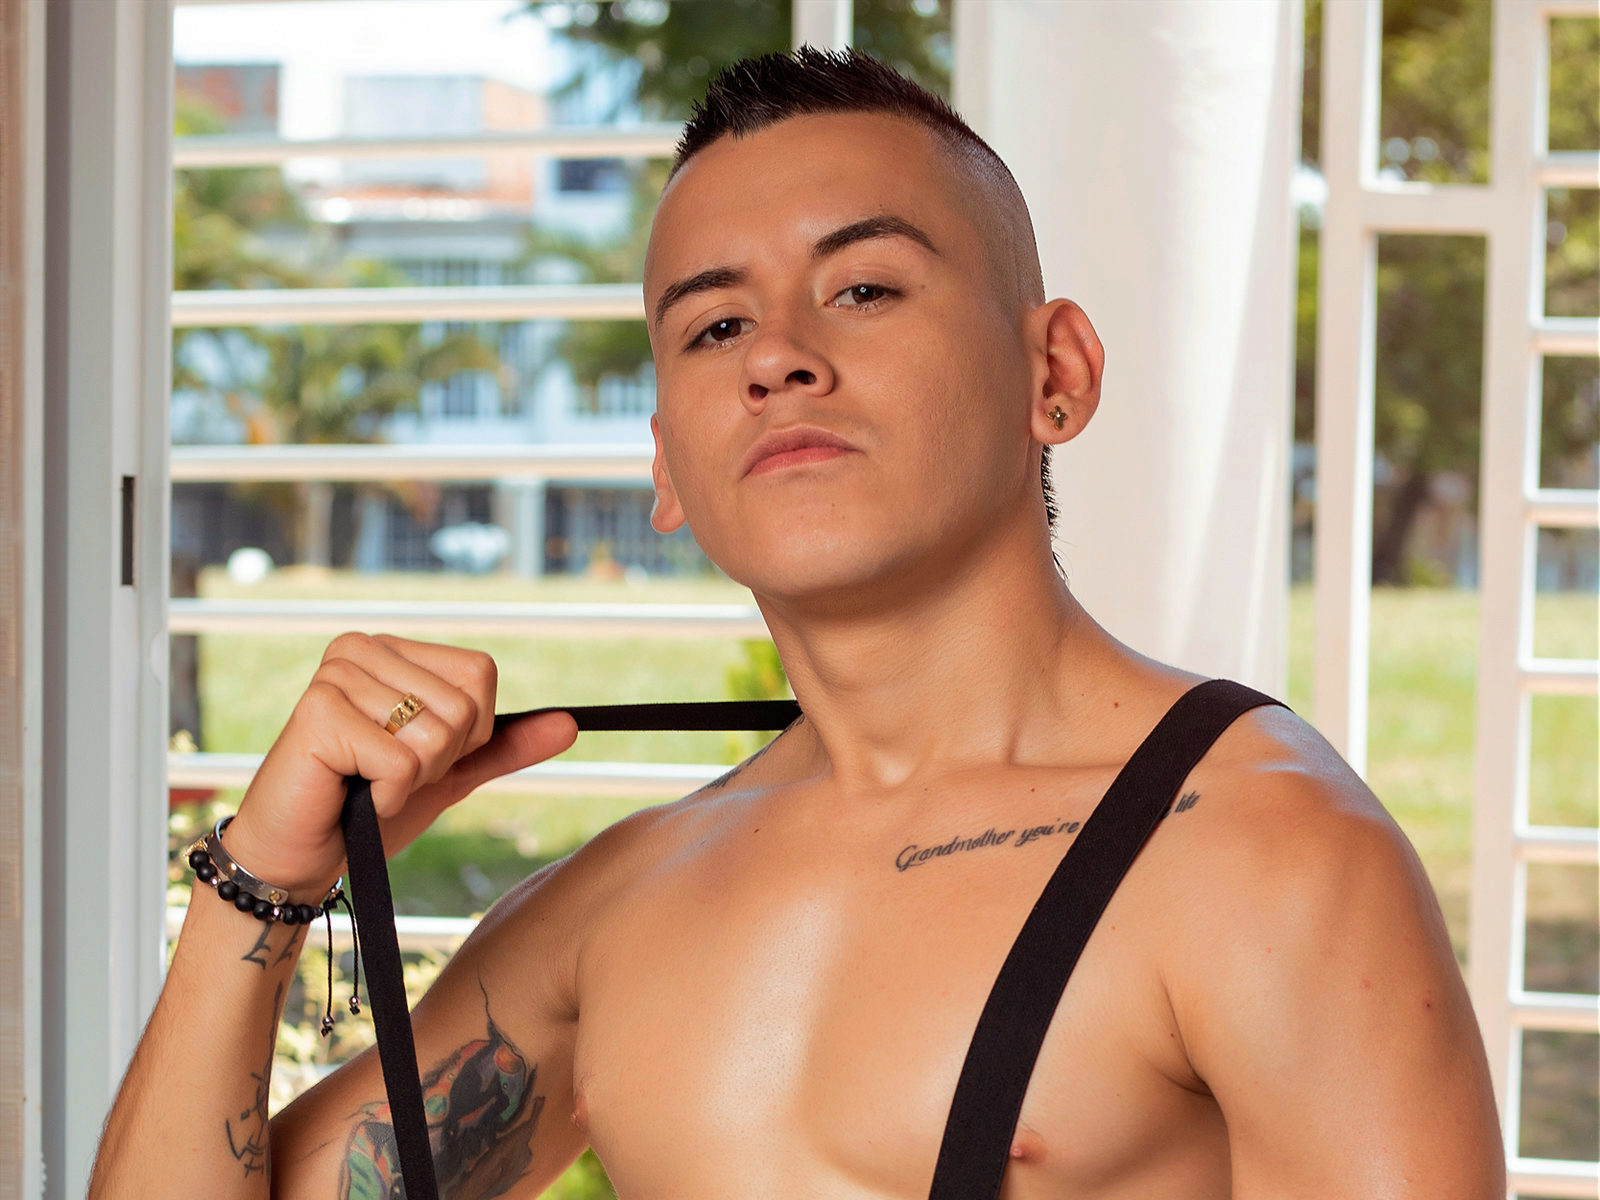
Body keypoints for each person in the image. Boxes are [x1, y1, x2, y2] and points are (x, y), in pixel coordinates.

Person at [92, 47, 1504, 1199]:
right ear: (666, 463)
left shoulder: (1264, 859)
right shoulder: (622, 910)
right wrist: (262, 880)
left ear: (1055, 373)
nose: (777, 355)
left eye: (864, 288)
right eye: (715, 327)